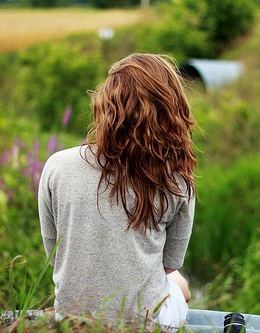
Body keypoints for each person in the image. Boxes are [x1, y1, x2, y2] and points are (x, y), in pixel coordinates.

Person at [38, 53, 196, 329]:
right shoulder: (177, 179)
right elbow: (168, 266)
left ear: (105, 104)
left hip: (71, 321)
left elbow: (55, 254)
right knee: (181, 284)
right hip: (147, 323)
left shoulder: (57, 166)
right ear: (172, 111)